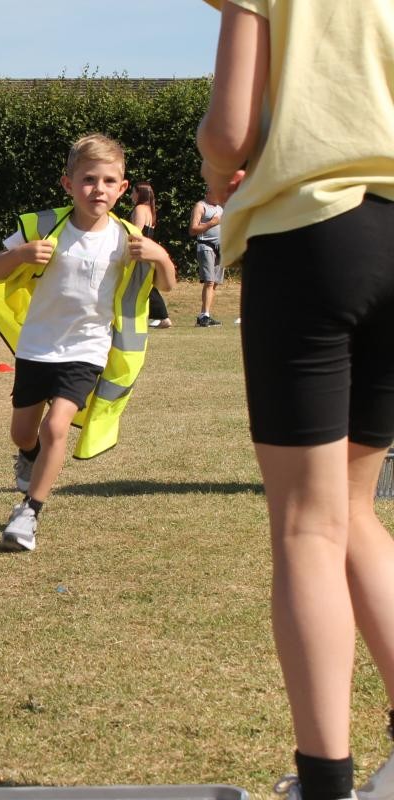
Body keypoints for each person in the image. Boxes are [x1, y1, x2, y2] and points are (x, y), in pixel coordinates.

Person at [198, 2, 394, 799]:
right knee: (355, 509)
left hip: (313, 237)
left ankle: (325, 783)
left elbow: (229, 131)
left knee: (308, 525)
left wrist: (217, 180)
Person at [0, 133, 176, 552]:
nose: (99, 189)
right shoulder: (42, 226)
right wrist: (20, 255)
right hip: (37, 347)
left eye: (109, 181)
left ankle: (28, 513)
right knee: (23, 433)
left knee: (57, 427)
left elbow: (168, 283)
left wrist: (160, 257)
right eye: (89, 179)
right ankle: (28, 456)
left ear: (123, 188)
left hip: (88, 350)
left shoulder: (128, 238)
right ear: (68, 184)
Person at [130, 181, 172, 329]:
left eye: (133, 192)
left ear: (139, 193)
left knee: (144, 285)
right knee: (146, 284)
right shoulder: (150, 210)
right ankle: (161, 316)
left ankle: (162, 316)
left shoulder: (140, 209)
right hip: (148, 250)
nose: (131, 195)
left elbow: (136, 231)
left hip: (140, 252)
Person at [189, 187, 224, 326]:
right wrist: (211, 223)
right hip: (206, 246)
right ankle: (203, 316)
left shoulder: (220, 207)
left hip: (220, 248)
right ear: (208, 192)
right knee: (209, 281)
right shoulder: (200, 206)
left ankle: (206, 314)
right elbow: (192, 229)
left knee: (214, 283)